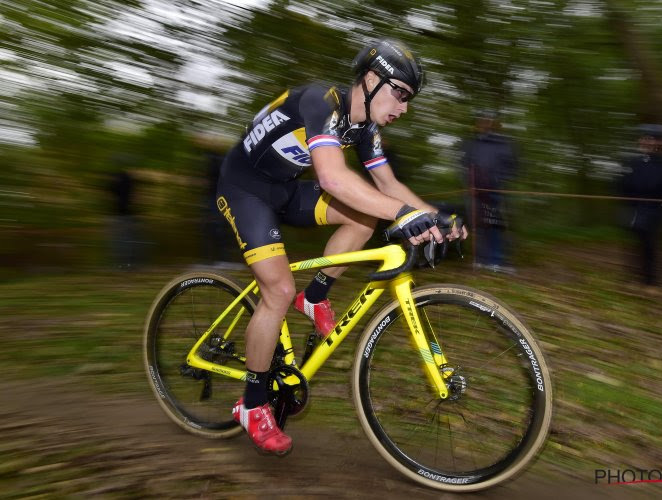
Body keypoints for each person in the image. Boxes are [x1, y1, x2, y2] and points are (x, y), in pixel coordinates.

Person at [217, 39, 467, 454]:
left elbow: (387, 186)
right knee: (277, 291)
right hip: (244, 190)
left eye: (409, 99)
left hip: (283, 190)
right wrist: (405, 214)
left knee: (364, 216)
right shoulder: (321, 101)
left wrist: (436, 217)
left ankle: (315, 298)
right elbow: (333, 180)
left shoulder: (364, 129)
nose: (404, 107)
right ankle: (253, 403)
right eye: (400, 93)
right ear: (371, 80)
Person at [616, 124, 662, 287]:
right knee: (635, 245)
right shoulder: (633, 161)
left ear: (657, 142)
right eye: (643, 138)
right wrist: (627, 201)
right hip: (634, 210)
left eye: (649, 139)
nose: (644, 141)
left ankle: (650, 283)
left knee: (650, 246)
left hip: (656, 211)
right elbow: (622, 185)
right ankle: (635, 277)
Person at [461, 110, 519, 273]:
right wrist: (468, 184)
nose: (483, 124)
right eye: (480, 121)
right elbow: (464, 165)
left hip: (495, 192)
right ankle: (481, 260)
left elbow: (512, 166)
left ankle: (497, 261)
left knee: (495, 224)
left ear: (494, 124)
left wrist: (499, 181)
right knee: (478, 225)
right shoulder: (471, 143)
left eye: (487, 121)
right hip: (475, 191)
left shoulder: (504, 143)